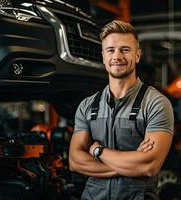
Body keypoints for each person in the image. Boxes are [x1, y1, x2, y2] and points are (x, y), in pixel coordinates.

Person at [69, 20, 174, 200]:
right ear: (103, 56)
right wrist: (131, 165)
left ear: (138, 55)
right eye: (111, 50)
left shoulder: (156, 103)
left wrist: (97, 151)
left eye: (125, 49)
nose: (117, 56)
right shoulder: (87, 106)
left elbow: (149, 165)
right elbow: (75, 161)